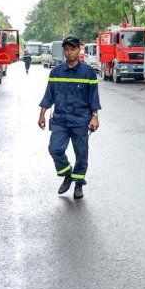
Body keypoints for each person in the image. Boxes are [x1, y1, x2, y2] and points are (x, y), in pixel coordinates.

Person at [38, 37, 100, 199]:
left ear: (79, 50)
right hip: (60, 120)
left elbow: (94, 98)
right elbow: (48, 96)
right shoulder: (56, 72)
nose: (69, 53)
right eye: (66, 50)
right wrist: (42, 115)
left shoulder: (88, 72)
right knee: (55, 149)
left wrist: (95, 117)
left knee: (81, 153)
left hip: (80, 120)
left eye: (72, 49)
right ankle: (67, 174)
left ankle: (79, 184)